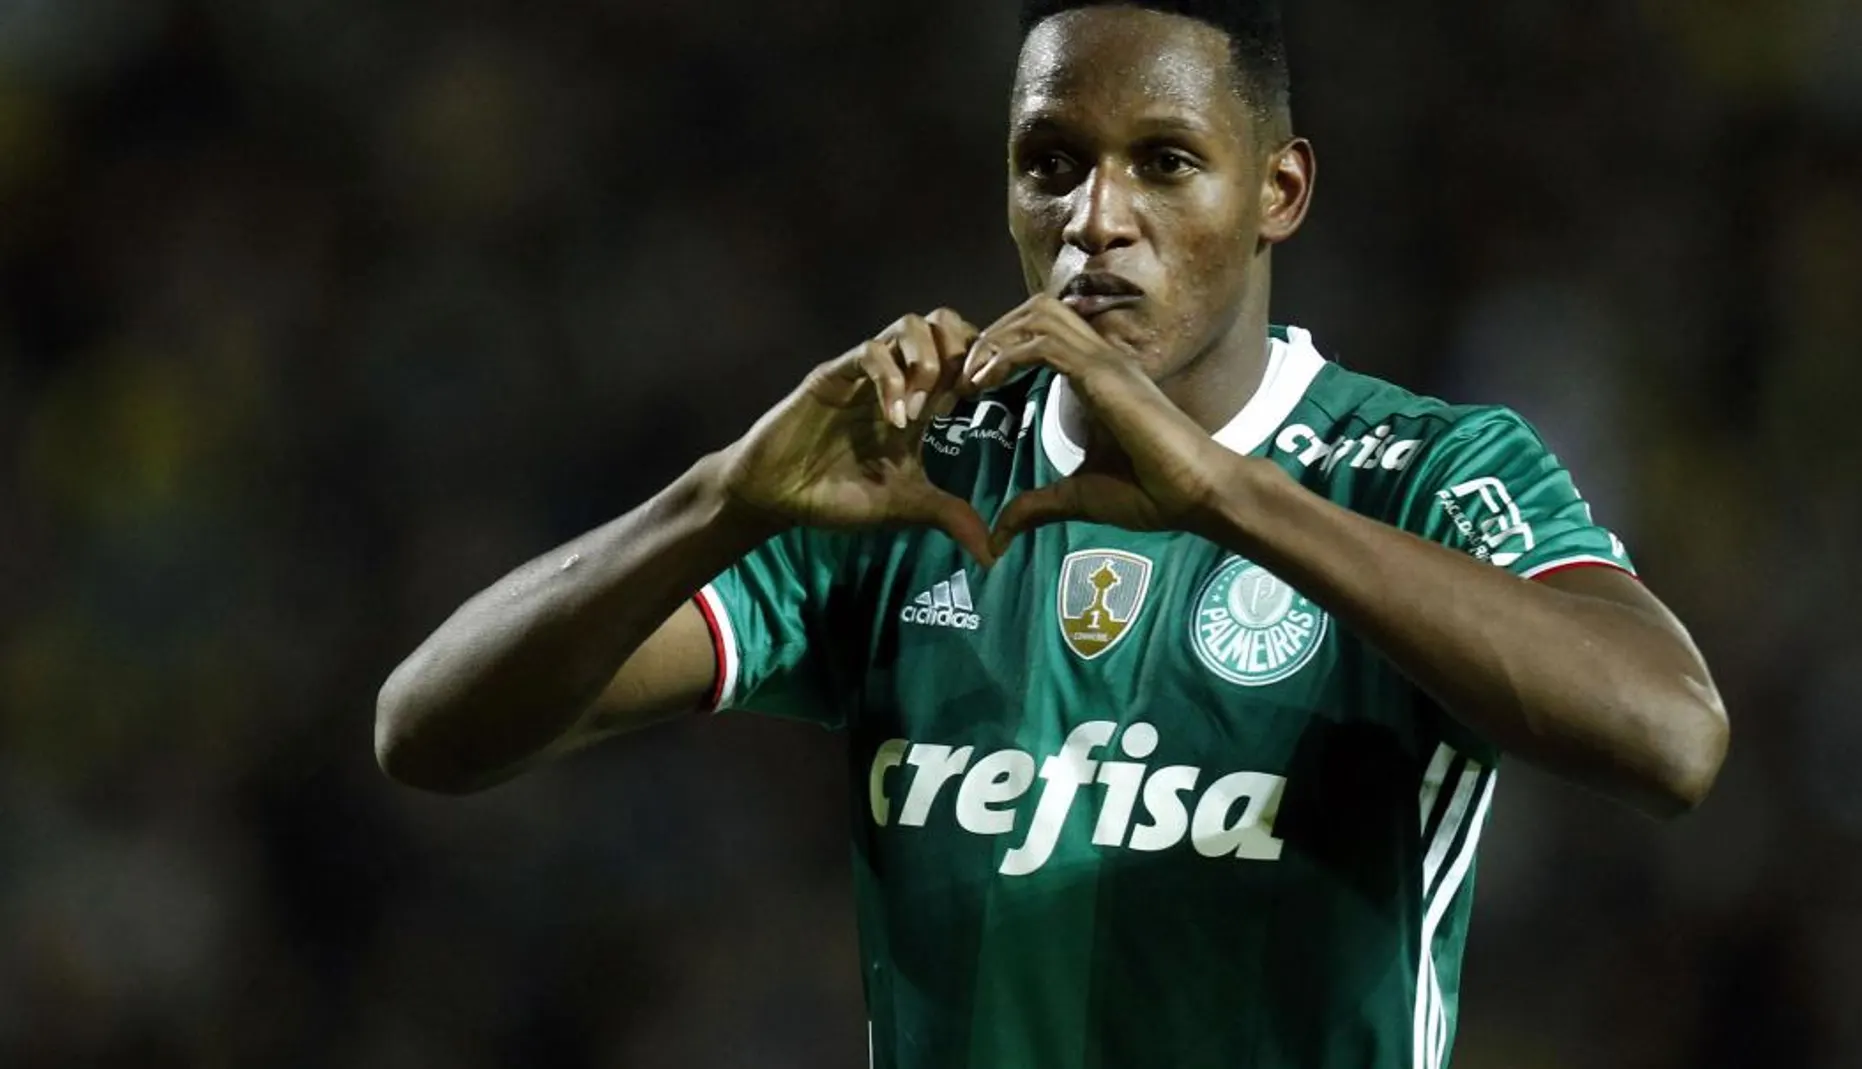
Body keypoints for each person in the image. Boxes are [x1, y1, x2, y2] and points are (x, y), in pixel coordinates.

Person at [375, 2, 1729, 1066]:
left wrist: (1224, 495)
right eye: (1053, 164)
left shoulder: (1421, 469)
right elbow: (429, 732)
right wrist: (717, 498)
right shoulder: (907, 483)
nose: (1097, 220)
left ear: (1280, 190)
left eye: (1166, 163)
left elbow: (1670, 738)